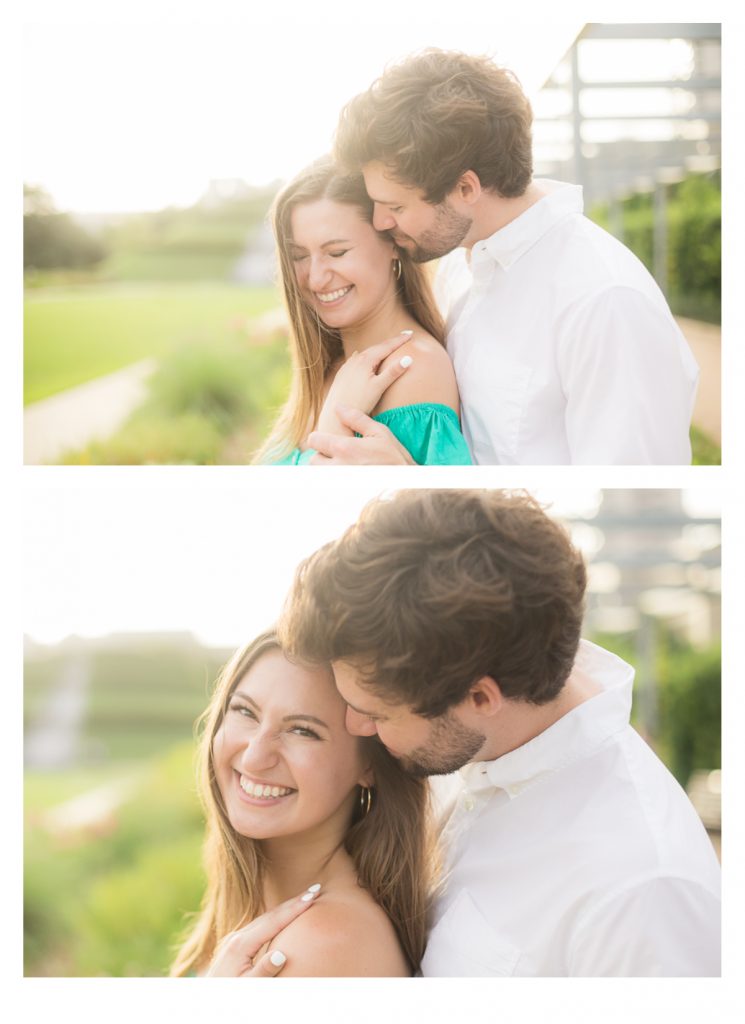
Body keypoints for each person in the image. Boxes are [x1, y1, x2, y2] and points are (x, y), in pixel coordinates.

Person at [279, 489, 721, 976]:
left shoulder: (641, 891)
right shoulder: (467, 743)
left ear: (481, 699)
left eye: (378, 714)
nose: (354, 727)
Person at [306, 49, 700, 465]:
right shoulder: (458, 265)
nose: (381, 222)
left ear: (466, 189)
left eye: (397, 207)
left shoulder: (605, 302)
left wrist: (408, 476)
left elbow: (629, 490)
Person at [170, 630, 435, 977]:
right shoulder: (257, 898)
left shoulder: (325, 943)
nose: (254, 758)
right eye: (244, 711)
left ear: (369, 765)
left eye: (302, 731)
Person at [254, 155, 471, 465]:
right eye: (299, 256)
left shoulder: (412, 373)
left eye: (337, 252)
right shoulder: (331, 364)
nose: (315, 278)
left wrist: (336, 422)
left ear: (393, 242)